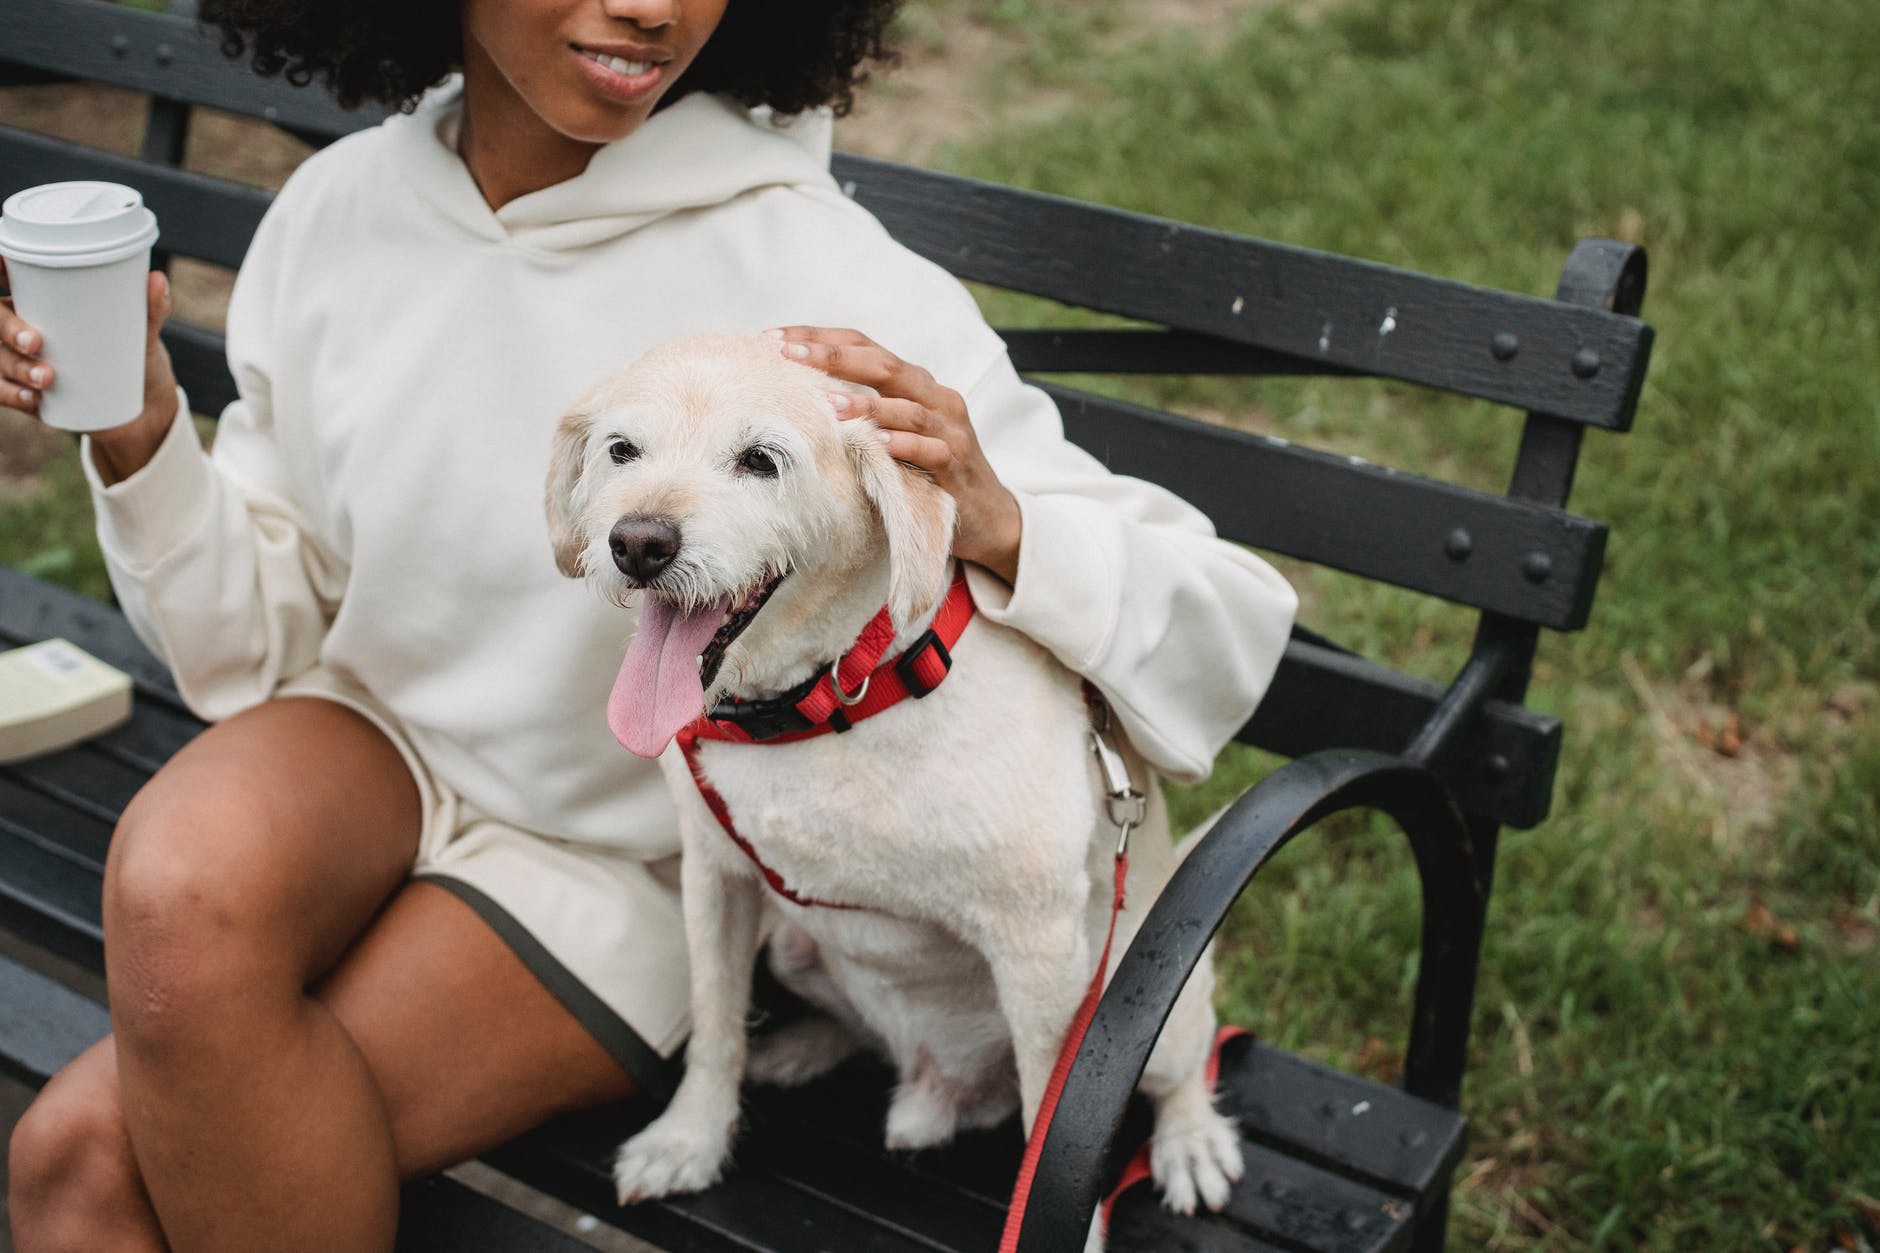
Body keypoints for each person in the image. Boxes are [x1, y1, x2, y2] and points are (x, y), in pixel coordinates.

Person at [2, 1, 1297, 1249]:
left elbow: (1223, 613)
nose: (648, 7)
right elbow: (257, 645)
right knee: (169, 879)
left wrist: (1002, 515)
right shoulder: (337, 212)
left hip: (628, 860)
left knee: (82, 1162)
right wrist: (139, 435)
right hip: (374, 746)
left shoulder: (814, 265)